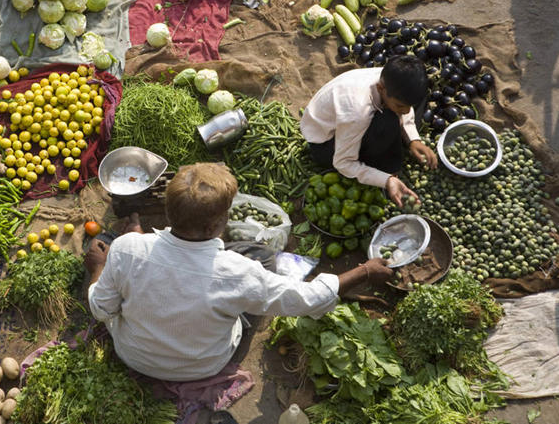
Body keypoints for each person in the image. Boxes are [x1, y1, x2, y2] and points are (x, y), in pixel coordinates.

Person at [84, 162, 393, 382]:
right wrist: (365, 270)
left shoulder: (128, 250)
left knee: (105, 244)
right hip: (203, 365)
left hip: (134, 354)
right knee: (261, 258)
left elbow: (101, 308)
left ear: (168, 212)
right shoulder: (237, 272)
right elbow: (307, 298)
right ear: (213, 226)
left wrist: (98, 269)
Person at [300, 55, 437, 206]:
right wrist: (386, 180)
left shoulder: (392, 79)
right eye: (400, 106)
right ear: (380, 88)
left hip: (350, 126)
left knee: (414, 100)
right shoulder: (357, 112)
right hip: (325, 146)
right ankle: (388, 169)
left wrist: (413, 139)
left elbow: (405, 107)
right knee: (388, 122)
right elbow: (343, 162)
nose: (405, 112)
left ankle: (397, 145)